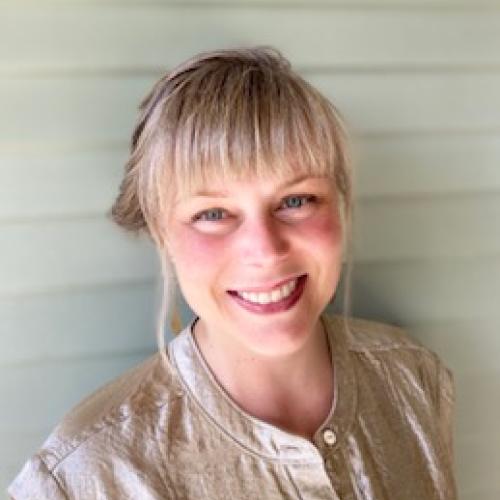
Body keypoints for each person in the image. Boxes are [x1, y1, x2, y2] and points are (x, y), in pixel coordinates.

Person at [8, 46, 457, 499]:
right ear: (161, 231)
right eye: (214, 213)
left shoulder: (414, 378)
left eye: (295, 200)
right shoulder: (85, 475)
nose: (264, 250)